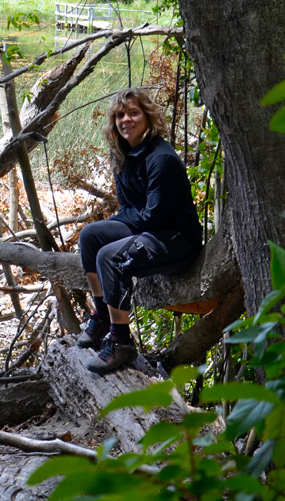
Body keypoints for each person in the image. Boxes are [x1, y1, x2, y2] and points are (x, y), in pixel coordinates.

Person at [76, 87, 203, 375]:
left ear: (148, 117)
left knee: (110, 256)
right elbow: (128, 207)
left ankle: (121, 343)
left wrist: (125, 230)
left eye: (134, 113)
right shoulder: (122, 154)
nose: (126, 120)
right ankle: (103, 316)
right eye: (120, 115)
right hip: (149, 227)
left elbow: (154, 217)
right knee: (90, 236)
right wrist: (120, 225)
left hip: (176, 239)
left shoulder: (162, 159)